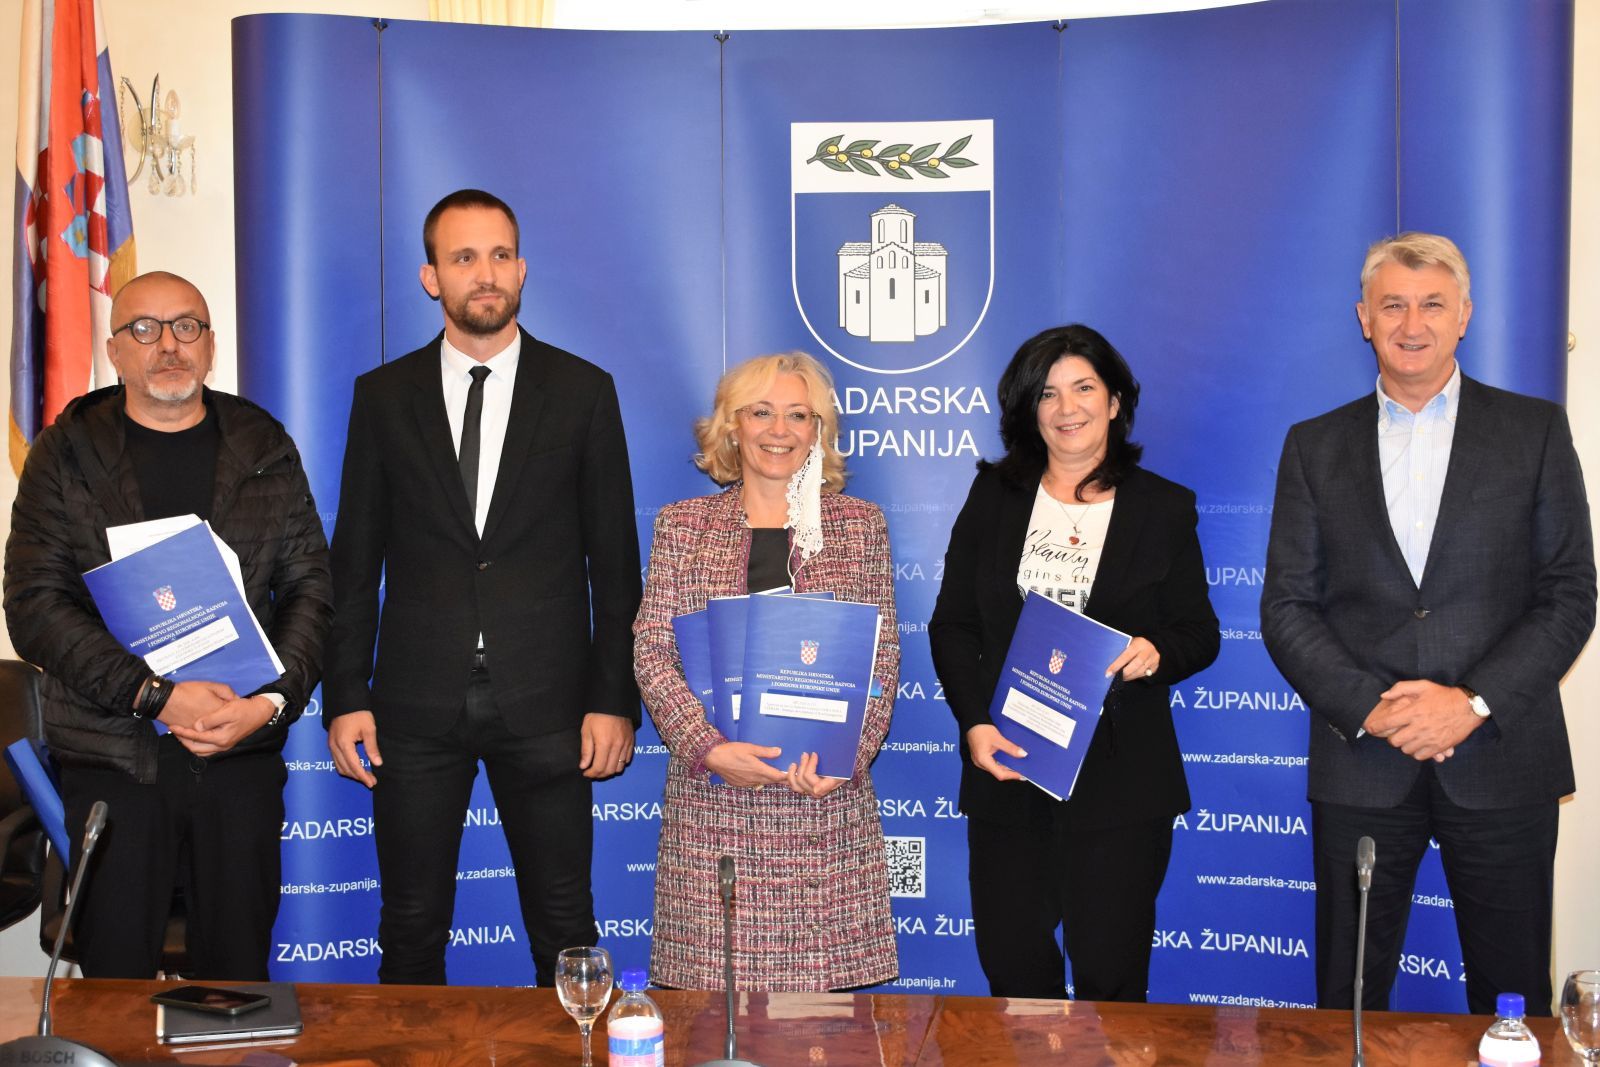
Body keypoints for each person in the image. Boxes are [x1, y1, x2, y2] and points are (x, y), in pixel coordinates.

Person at [1260, 232, 1595, 1016]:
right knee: (1348, 999)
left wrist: (1470, 703)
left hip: (1503, 758)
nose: (1413, 323)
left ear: (1464, 315)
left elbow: (1569, 593)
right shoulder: (1314, 446)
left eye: (1433, 304)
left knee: (1513, 1000)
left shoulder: (1535, 431)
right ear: (1364, 318)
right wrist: (1374, 709)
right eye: (1394, 305)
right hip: (1362, 760)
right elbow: (1287, 605)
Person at [323, 189, 642, 987]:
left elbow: (615, 564)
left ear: (523, 269)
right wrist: (344, 695)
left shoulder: (582, 391)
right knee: (409, 926)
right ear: (432, 276)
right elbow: (354, 562)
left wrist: (613, 698)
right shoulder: (383, 397)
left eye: (500, 255)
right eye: (464, 257)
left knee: (565, 926)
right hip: (412, 706)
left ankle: (575, 1044)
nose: (486, 273)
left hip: (549, 702)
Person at [2, 270, 332, 978]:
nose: (169, 346)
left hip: (240, 756)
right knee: (115, 982)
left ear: (209, 345)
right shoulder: (66, 453)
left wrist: (270, 704)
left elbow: (310, 590)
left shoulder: (263, 445)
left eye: (186, 326)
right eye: (144, 329)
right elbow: (34, 606)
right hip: (113, 760)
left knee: (234, 982)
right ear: (115, 351)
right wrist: (154, 696)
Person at [929, 324, 1218, 1001]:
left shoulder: (1163, 507)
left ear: (1114, 402)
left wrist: (1156, 652)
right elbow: (953, 625)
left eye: (1083, 388)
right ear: (1029, 410)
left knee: (1110, 981)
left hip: (1122, 782)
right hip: (1010, 764)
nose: (1067, 408)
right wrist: (974, 724)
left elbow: (1198, 633)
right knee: (1012, 970)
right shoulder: (994, 497)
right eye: (1047, 393)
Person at [633, 352, 899, 991]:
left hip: (823, 816)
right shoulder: (684, 525)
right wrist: (707, 748)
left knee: (824, 1037)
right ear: (732, 426)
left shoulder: (859, 526)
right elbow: (652, 651)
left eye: (798, 415)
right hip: (715, 811)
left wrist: (843, 759)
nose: (779, 430)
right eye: (761, 412)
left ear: (818, 431)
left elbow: (881, 658)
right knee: (715, 1028)